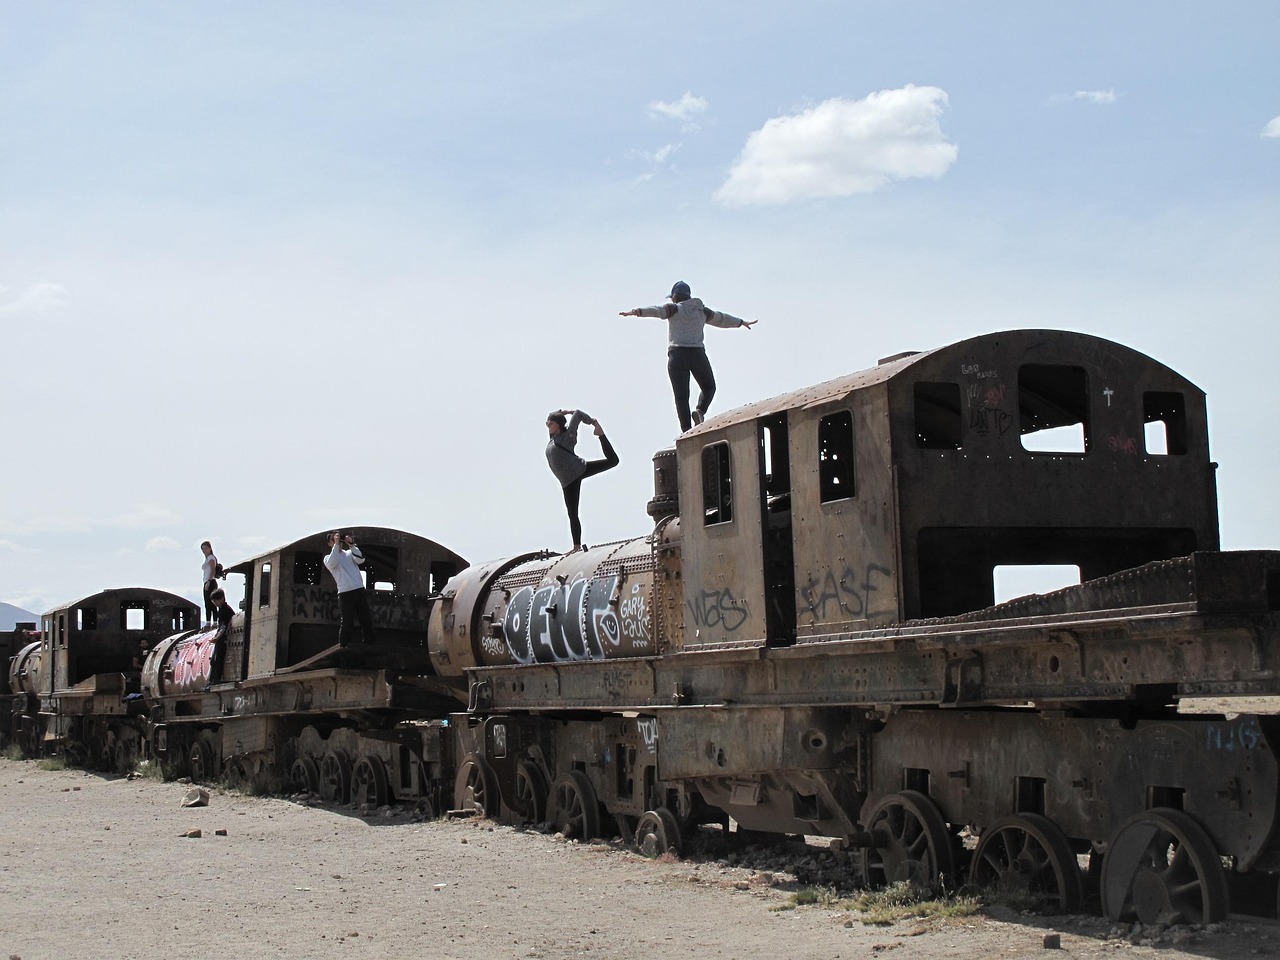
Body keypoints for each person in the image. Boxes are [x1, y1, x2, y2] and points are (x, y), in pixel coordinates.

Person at [619, 281, 758, 433]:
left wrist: (636, 311)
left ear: (675, 297)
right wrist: (740, 322)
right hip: (697, 355)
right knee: (709, 387)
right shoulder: (702, 311)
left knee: (681, 397)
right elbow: (721, 318)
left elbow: (657, 310)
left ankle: (686, 430)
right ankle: (700, 411)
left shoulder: (674, 309)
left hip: (677, 356)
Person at [546, 409, 620, 553]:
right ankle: (576, 546)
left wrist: (592, 422)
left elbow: (578, 414)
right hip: (566, 481)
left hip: (579, 470)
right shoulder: (552, 438)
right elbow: (552, 416)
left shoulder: (568, 436)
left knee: (613, 461)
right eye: (547, 423)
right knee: (572, 513)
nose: (548, 425)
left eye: (550, 423)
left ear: (558, 424)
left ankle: (601, 435)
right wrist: (561, 412)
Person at [323, 531, 376, 646]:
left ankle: (369, 643)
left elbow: (361, 559)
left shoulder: (349, 553)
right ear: (329, 543)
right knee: (347, 621)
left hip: (359, 589)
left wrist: (351, 545)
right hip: (345, 593)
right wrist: (336, 545)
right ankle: (344, 645)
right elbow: (332, 563)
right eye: (333, 539)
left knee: (366, 619)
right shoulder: (328, 558)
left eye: (338, 538)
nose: (337, 540)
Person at [205, 587, 236, 690]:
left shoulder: (225, 610)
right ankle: (212, 681)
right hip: (221, 638)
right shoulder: (223, 609)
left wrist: (217, 638)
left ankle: (215, 681)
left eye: (216, 601)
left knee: (217, 660)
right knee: (214, 660)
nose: (215, 603)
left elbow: (224, 626)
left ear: (222, 598)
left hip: (223, 639)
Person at [199, 541, 220, 626]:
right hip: (207, 582)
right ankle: (208, 621)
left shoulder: (211, 558)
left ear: (210, 548)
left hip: (210, 582)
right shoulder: (207, 558)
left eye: (205, 548)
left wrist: (209, 581)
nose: (204, 550)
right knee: (207, 602)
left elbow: (213, 570)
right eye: (202, 549)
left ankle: (214, 622)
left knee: (211, 602)